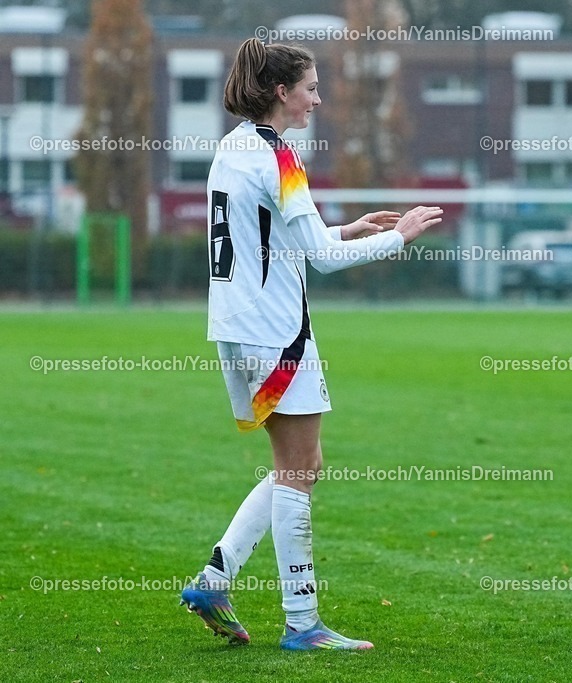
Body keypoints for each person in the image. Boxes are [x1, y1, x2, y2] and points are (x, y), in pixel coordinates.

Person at [180, 38, 443, 651]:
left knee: (298, 464)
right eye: (312, 88)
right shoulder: (281, 158)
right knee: (299, 469)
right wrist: (397, 238)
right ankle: (303, 623)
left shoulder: (234, 147)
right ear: (281, 92)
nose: (317, 101)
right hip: (278, 334)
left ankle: (215, 579)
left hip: (238, 328)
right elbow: (321, 261)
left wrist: (349, 227)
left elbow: (281, 238)